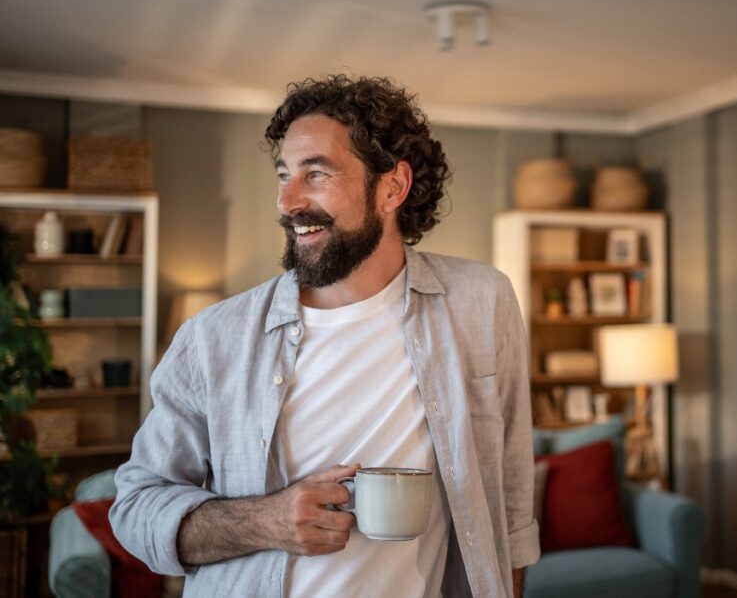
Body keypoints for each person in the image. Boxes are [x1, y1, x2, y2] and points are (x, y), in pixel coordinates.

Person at [110, 74, 540, 597]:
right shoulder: (212, 340)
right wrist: (266, 520)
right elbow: (134, 507)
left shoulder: (480, 301)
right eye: (284, 174)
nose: (288, 202)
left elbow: (511, 501)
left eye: (316, 174)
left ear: (392, 187)